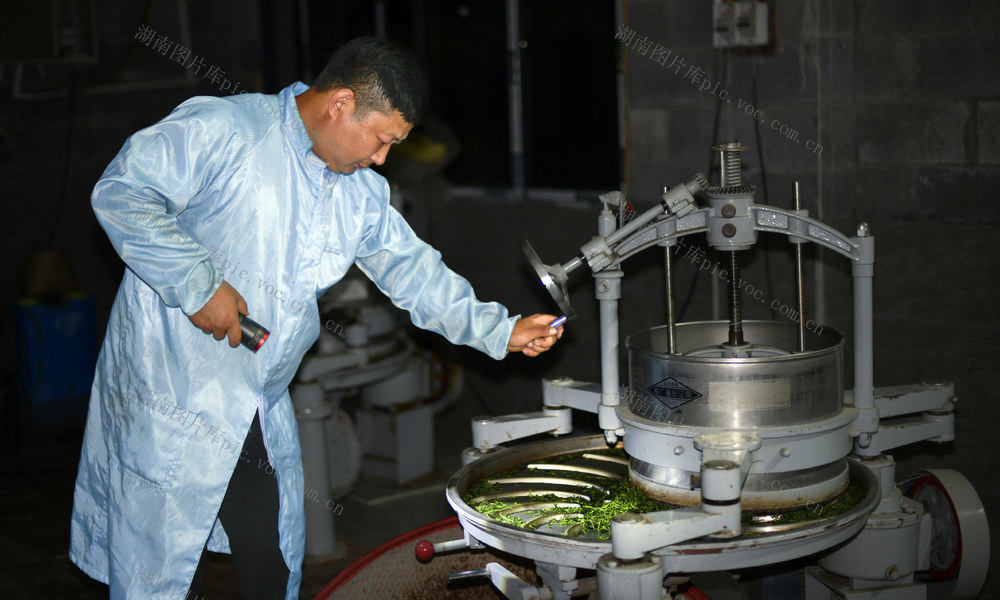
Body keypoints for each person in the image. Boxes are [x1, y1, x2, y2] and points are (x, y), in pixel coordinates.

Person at [69, 36, 563, 600]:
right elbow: (124, 192)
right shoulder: (227, 130)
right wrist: (197, 282)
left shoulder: (358, 193)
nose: (381, 158)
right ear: (342, 103)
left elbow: (413, 271)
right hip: (170, 391)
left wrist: (498, 329)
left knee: (269, 560)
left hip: (254, 396)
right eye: (381, 140)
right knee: (166, 572)